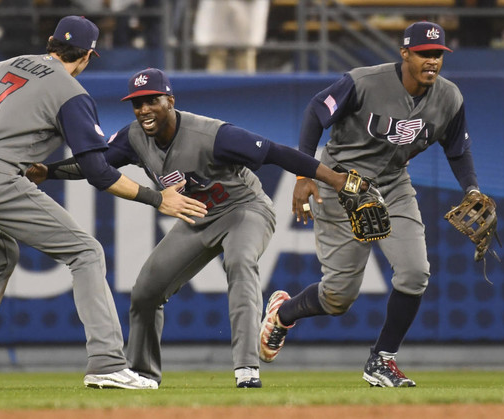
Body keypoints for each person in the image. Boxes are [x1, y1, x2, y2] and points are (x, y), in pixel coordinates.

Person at [27, 68, 353, 388]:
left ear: (170, 99)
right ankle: (143, 374)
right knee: (145, 293)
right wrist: (49, 172)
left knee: (239, 263)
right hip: (197, 218)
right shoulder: (134, 137)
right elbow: (95, 163)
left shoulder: (213, 134)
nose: (143, 110)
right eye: (137, 104)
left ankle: (246, 368)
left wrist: (333, 179)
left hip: (244, 210)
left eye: (151, 100)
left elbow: (276, 152)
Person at [0, 16, 207, 391]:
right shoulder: (71, 93)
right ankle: (107, 362)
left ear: (50, 42)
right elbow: (98, 172)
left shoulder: (4, 65)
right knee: (86, 252)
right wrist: (157, 198)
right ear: (89, 56)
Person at [259, 21, 483, 388]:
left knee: (415, 272)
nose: (433, 62)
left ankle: (382, 359)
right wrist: (304, 175)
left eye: (438, 55)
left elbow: (458, 149)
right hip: (340, 185)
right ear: (405, 53)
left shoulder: (449, 97)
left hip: (393, 184)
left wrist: (471, 189)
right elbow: (315, 113)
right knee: (337, 298)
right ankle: (282, 314)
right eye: (425, 54)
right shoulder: (363, 81)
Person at [193, 0, 270, 73]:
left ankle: (247, 85)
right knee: (217, 51)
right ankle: (214, 85)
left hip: (249, 7)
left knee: (246, 52)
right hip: (219, 6)